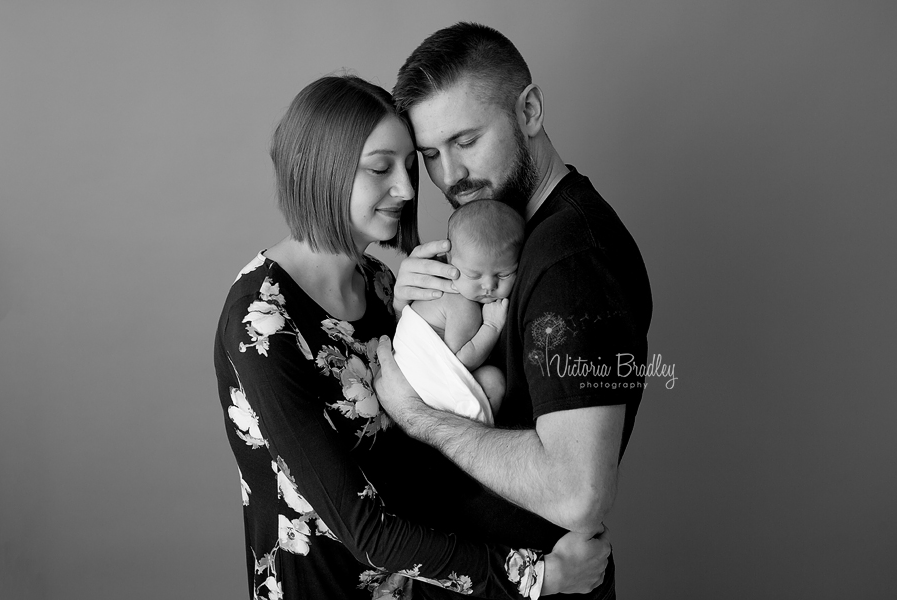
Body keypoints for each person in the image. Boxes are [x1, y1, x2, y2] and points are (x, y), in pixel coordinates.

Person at [214, 74, 610, 600]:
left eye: (408, 166)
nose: (406, 189)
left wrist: (421, 318)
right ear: (321, 171)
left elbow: (426, 441)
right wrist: (540, 576)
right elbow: (364, 530)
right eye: (381, 168)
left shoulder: (382, 284)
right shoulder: (261, 322)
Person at [375, 23, 653, 599]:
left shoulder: (571, 261)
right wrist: (419, 324)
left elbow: (580, 491)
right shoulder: (506, 240)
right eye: (431, 154)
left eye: (466, 141)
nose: (449, 176)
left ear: (529, 110)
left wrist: (418, 415)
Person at [393, 199, 524, 424]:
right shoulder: (461, 304)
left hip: (410, 384)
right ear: (450, 262)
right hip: (421, 387)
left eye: (504, 275)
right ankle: (475, 432)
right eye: (474, 276)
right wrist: (491, 327)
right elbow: (461, 362)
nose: (489, 286)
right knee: (493, 380)